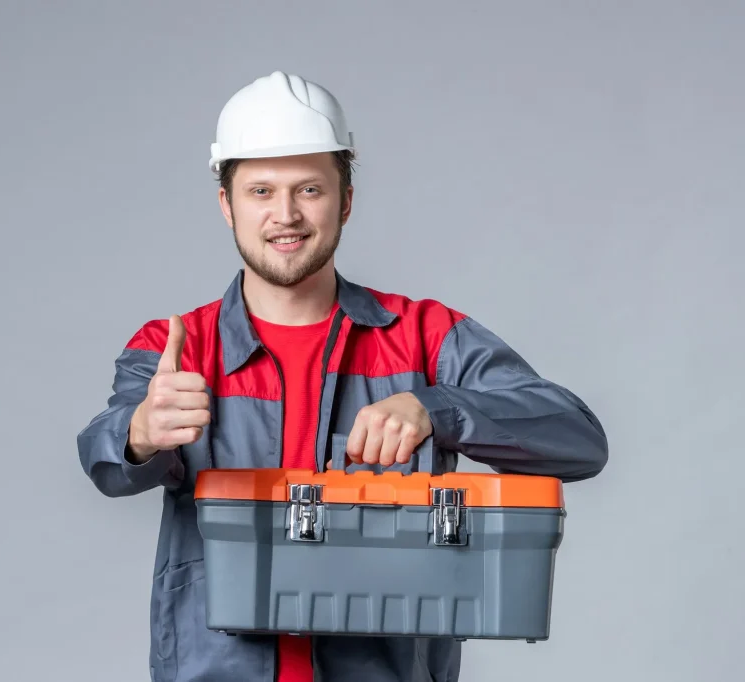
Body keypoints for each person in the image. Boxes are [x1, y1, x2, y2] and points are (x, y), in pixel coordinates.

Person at [77, 70, 609, 682]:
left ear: (346, 200)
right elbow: (104, 458)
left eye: (309, 189)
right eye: (259, 192)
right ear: (226, 205)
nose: (285, 215)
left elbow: (580, 440)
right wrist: (141, 432)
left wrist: (437, 409)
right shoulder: (177, 348)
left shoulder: (424, 335)